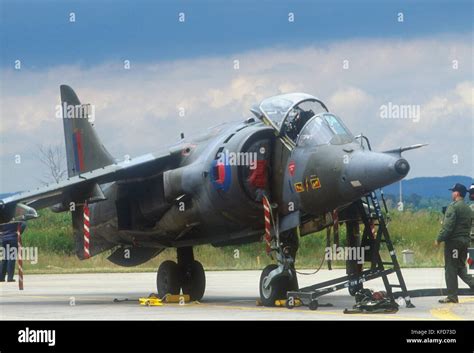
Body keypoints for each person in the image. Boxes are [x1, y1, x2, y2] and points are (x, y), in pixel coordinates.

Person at [435, 183, 474, 303]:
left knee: (451, 268)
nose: (452, 194)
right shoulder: (468, 208)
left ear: (457, 193)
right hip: (465, 242)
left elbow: (448, 226)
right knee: (461, 267)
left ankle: (452, 296)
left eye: (453, 192)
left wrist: (439, 238)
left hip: (454, 243)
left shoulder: (453, 207)